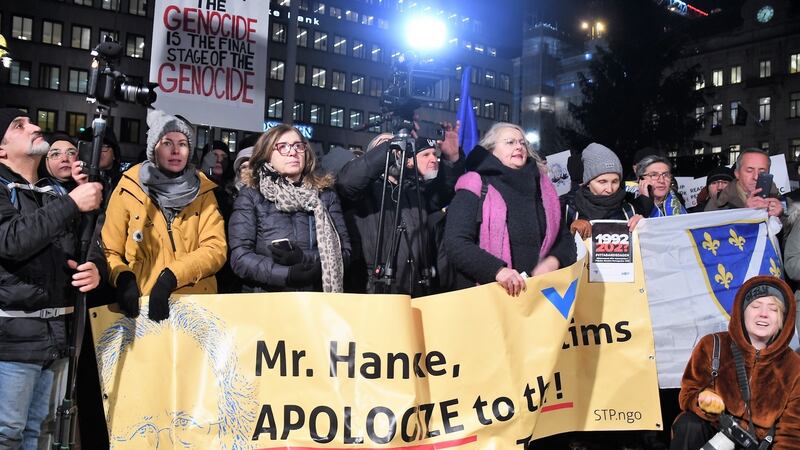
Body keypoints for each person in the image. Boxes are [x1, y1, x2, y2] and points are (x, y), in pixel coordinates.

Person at [0, 108, 103, 449]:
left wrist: (94, 267)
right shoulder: (6, 189)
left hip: (56, 338)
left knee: (44, 435)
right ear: (2, 149)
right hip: (12, 340)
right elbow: (12, 240)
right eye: (20, 125)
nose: (35, 126)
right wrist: (72, 203)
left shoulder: (54, 194)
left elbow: (88, 248)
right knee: (7, 433)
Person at [101, 109, 227, 322]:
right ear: (153, 149)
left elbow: (215, 249)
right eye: (167, 143)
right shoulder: (128, 187)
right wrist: (122, 276)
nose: (176, 151)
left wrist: (171, 276)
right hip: (142, 305)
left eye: (183, 144)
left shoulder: (204, 190)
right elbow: (109, 249)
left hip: (195, 306)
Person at [444, 122, 576, 296]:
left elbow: (564, 239)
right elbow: (456, 243)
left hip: (539, 297)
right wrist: (497, 271)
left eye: (522, 143)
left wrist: (553, 261)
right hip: (488, 298)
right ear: (491, 150)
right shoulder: (475, 184)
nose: (519, 147)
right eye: (510, 142)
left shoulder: (544, 189)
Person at [670, 276, 800, 449]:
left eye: (773, 309)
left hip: (757, 445)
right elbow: (687, 395)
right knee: (690, 424)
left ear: (782, 320)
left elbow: (791, 434)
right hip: (712, 435)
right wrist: (702, 400)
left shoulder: (794, 367)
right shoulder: (713, 345)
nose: (763, 313)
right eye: (755, 306)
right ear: (742, 311)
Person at [336, 122, 463, 296]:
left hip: (415, 290)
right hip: (374, 292)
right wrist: (391, 146)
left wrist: (452, 156)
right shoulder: (362, 193)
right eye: (385, 146)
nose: (396, 150)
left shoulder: (414, 191)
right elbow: (347, 182)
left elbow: (445, 190)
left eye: (399, 147)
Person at [228, 124, 350, 293]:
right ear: (267, 154)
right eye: (283, 147)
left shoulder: (325, 196)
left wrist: (304, 258)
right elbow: (240, 258)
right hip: (266, 303)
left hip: (314, 300)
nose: (293, 152)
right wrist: (287, 275)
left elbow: (344, 253)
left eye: (298, 146)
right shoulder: (251, 195)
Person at [563, 142, 642, 239]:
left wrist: (643, 227)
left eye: (615, 181)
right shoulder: (568, 210)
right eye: (602, 182)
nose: (609, 189)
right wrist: (569, 232)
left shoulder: (629, 210)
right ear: (588, 182)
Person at [705, 148, 783, 218]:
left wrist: (780, 216)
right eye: (749, 170)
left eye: (762, 171)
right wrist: (745, 214)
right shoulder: (717, 203)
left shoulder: (779, 200)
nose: (756, 177)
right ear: (737, 173)